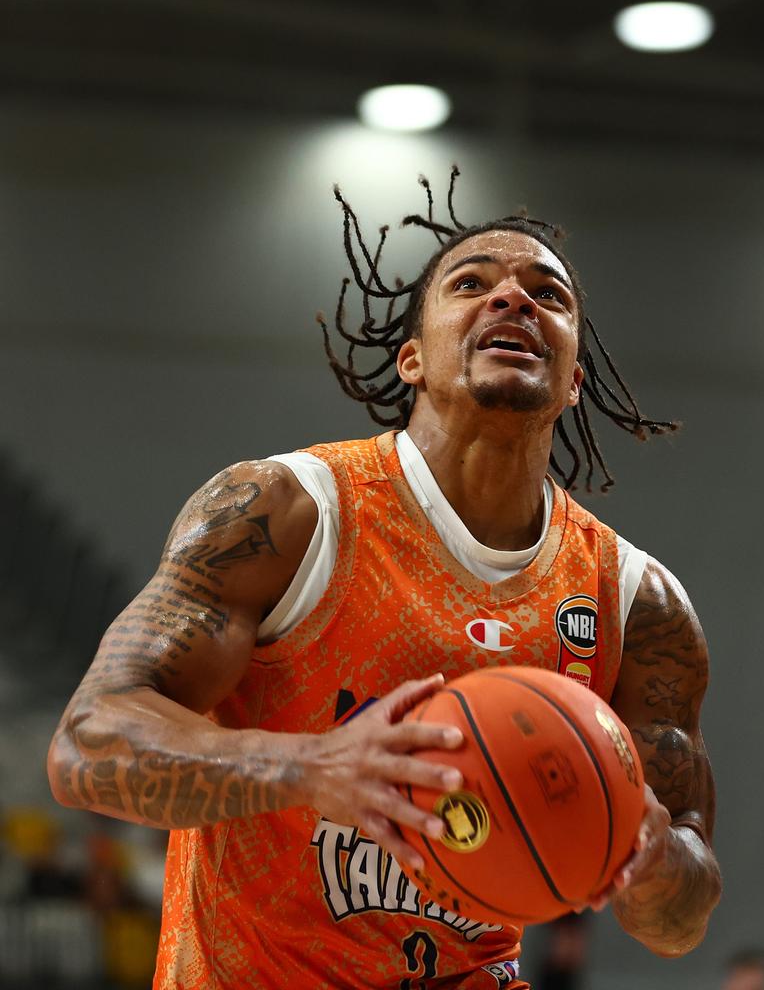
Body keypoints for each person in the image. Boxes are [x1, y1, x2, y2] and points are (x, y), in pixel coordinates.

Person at [47, 169, 722, 989]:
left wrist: (651, 856)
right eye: (472, 284)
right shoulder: (286, 512)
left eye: (550, 294)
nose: (514, 298)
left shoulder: (636, 601)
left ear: (574, 378)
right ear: (412, 358)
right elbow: (88, 742)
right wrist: (309, 768)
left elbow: (681, 921)